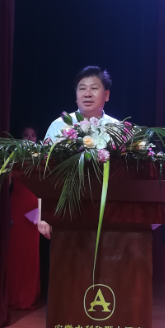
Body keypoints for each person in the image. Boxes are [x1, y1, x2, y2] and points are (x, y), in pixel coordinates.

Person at [39, 66, 116, 239]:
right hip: (64, 211)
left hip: (109, 213)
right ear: (76, 95)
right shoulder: (59, 126)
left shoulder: (117, 128)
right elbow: (43, 170)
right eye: (82, 89)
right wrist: (43, 214)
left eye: (94, 88)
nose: (87, 94)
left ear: (106, 95)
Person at [6, 126, 41, 309]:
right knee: (15, 252)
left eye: (33, 135)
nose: (30, 138)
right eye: (26, 135)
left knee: (31, 252)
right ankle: (13, 297)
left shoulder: (42, 157)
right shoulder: (13, 156)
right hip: (18, 205)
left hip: (35, 205)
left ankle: (28, 297)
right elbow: (7, 179)